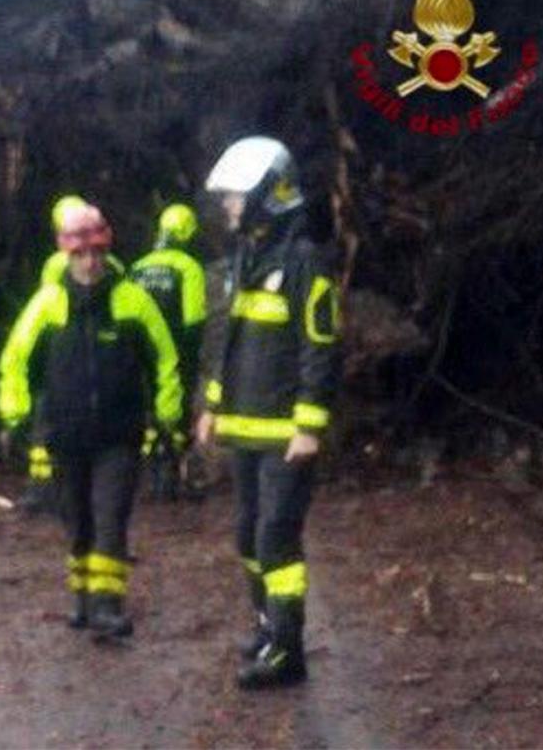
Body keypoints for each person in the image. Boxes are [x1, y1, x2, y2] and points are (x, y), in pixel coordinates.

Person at [0, 204, 183, 638]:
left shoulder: (131, 299)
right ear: (66, 254)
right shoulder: (48, 303)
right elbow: (15, 360)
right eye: (81, 254)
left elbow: (165, 357)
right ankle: (82, 598)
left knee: (109, 517)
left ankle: (107, 605)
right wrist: (17, 414)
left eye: (97, 253)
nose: (90, 262)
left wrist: (168, 416)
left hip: (119, 433)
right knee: (77, 518)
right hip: (65, 432)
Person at [195, 136, 340, 689]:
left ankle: (287, 649)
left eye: (236, 196)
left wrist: (309, 425)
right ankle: (265, 624)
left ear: (266, 194)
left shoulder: (305, 264)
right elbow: (223, 341)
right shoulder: (245, 259)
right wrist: (211, 406)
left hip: (286, 435)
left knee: (277, 538)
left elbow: (319, 347)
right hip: (245, 429)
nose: (230, 206)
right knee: (247, 537)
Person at [17, 195, 125, 515]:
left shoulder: (56, 263)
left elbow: (49, 310)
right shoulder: (115, 264)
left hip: (63, 355)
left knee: (47, 425)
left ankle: (43, 490)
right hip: (104, 357)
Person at [131, 203, 207, 501]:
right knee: (176, 415)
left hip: (139, 355)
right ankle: (172, 478)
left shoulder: (138, 267)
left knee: (147, 413)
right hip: (175, 355)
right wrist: (191, 358)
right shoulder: (188, 267)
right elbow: (193, 321)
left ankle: (150, 477)